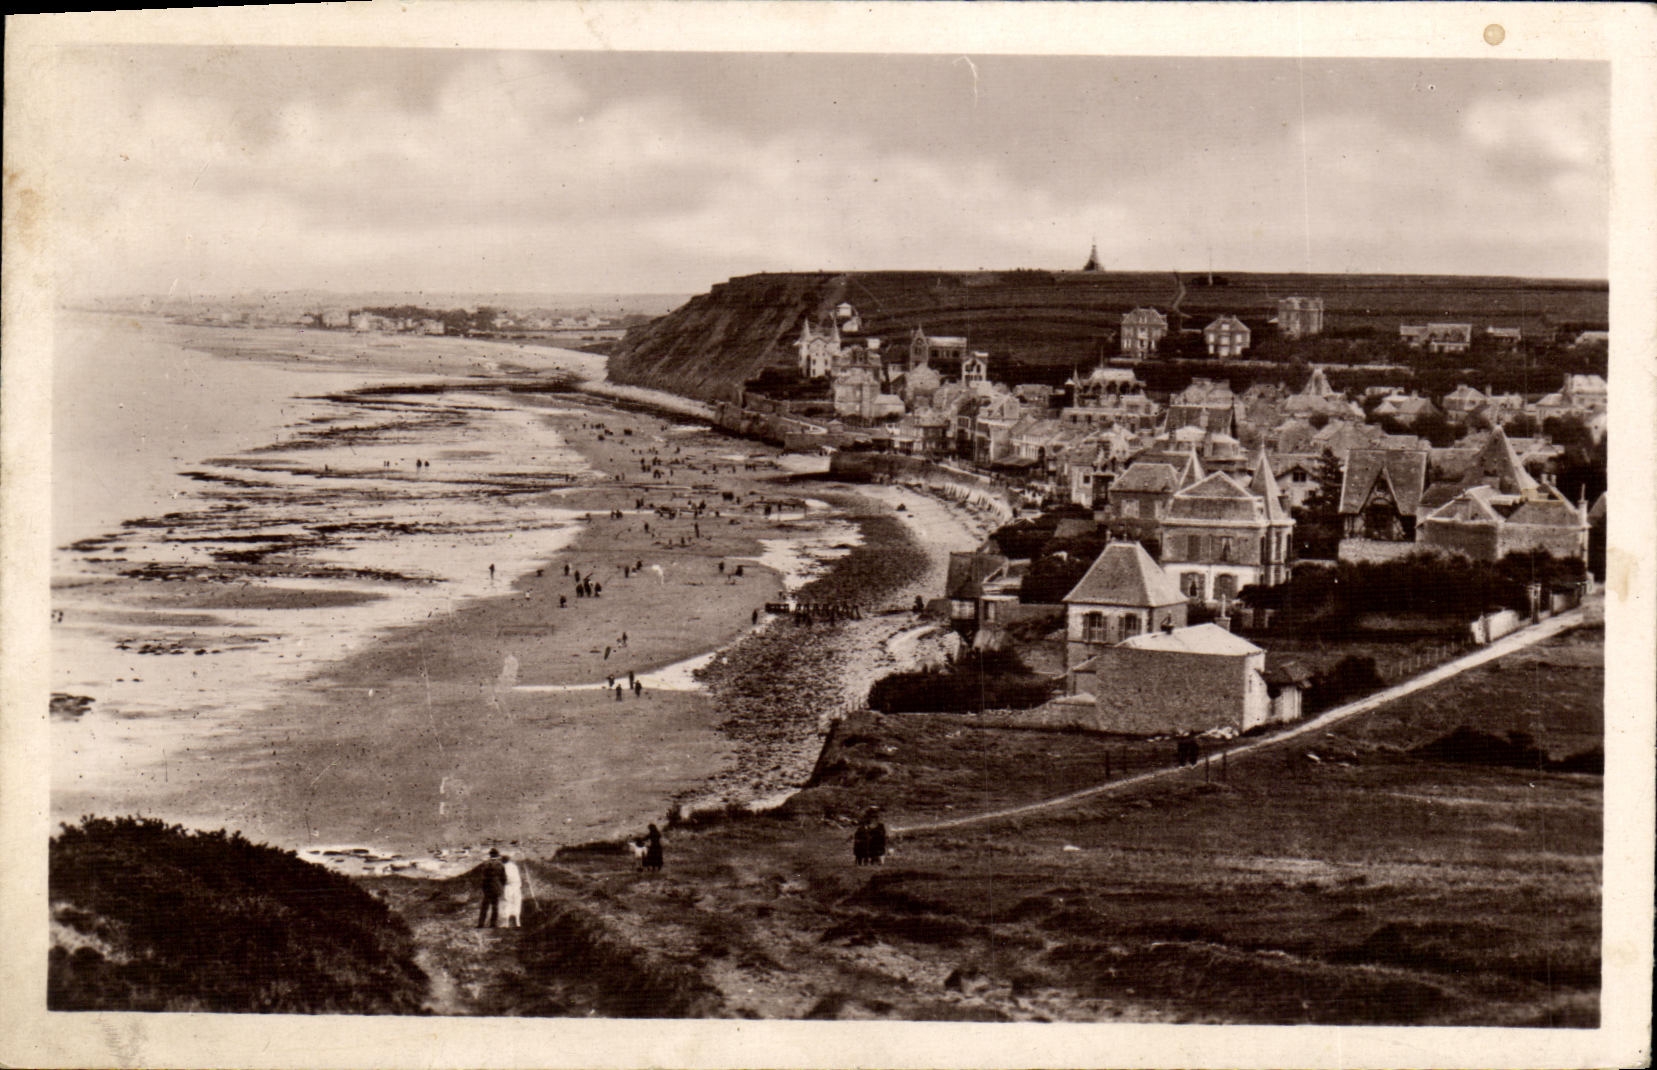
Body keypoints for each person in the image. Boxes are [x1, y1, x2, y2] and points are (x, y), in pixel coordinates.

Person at [477, 848, 507, 927]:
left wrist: (483, 887)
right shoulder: (500, 864)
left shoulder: (485, 863)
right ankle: (493, 924)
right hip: (496, 887)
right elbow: (503, 878)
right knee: (495, 906)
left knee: (484, 906)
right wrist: (501, 886)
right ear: (497, 855)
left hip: (487, 887)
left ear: (490, 855)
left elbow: (482, 876)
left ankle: (481, 924)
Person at [499, 854, 524, 928]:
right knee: (517, 903)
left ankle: (506, 923)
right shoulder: (514, 866)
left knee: (507, 903)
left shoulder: (503, 867)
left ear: (503, 860)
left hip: (508, 887)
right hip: (516, 886)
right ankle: (517, 922)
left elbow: (503, 879)